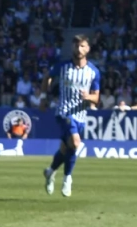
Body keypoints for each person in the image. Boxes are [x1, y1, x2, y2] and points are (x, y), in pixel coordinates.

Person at [41, 34, 100, 198]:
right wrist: (44, 97)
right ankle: (67, 179)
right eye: (76, 46)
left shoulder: (93, 72)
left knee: (66, 148)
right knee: (76, 142)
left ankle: (50, 171)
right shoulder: (62, 66)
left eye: (82, 46)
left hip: (81, 115)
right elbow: (48, 77)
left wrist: (88, 97)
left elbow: (96, 98)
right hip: (64, 112)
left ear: (87, 49)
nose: (78, 49)